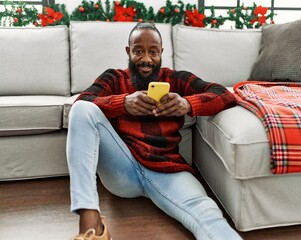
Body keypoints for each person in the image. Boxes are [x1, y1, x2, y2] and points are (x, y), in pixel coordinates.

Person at [67, 22, 242, 240]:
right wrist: (123, 103)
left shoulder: (177, 79)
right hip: (123, 168)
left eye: (153, 52)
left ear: (161, 52)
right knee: (84, 108)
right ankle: (90, 222)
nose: (146, 59)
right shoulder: (113, 78)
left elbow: (225, 95)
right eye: (138, 51)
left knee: (207, 214)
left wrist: (188, 104)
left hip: (167, 169)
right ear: (128, 51)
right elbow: (81, 105)